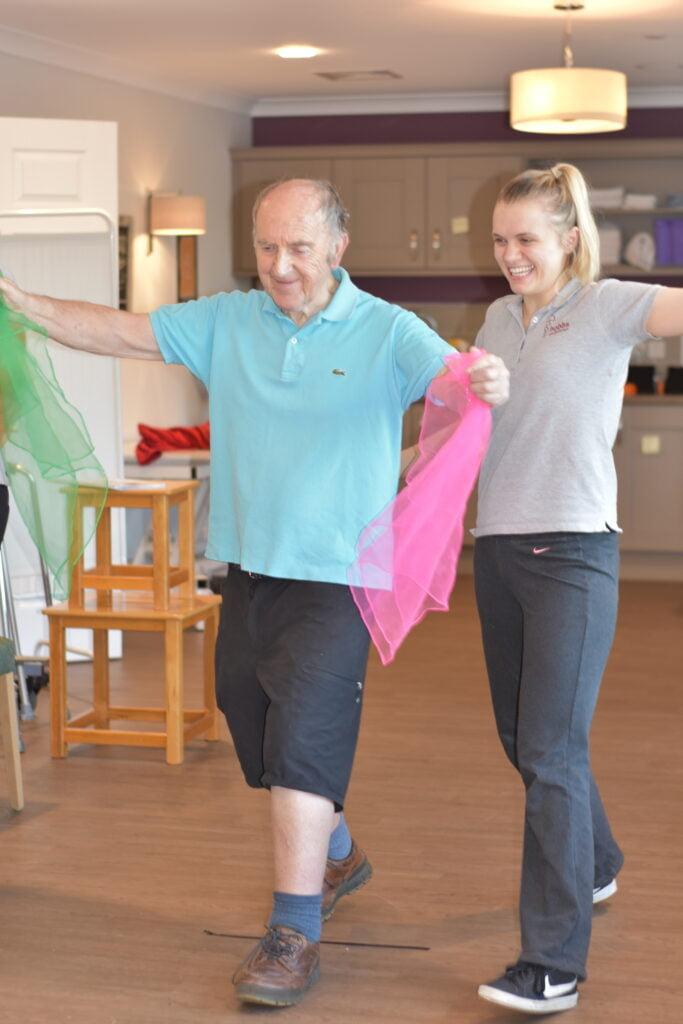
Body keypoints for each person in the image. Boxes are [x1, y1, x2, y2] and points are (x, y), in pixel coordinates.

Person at [0, 177, 509, 1008]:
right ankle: (337, 850)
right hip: (249, 569)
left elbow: (454, 384)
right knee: (254, 725)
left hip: (339, 575)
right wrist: (22, 303)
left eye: (299, 248)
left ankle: (292, 933)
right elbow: (122, 332)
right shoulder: (227, 321)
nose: (279, 266)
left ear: (338, 246)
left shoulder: (387, 331)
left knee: (304, 742)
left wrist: (482, 384)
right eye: (266, 247)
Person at [471, 163, 683, 1015]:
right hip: (496, 549)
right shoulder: (493, 317)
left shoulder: (605, 304)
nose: (510, 255)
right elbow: (472, 426)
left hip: (573, 555)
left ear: (567, 237)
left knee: (553, 753)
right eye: (499, 239)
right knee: (524, 736)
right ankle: (593, 860)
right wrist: (396, 475)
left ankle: (551, 962)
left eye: (525, 239)